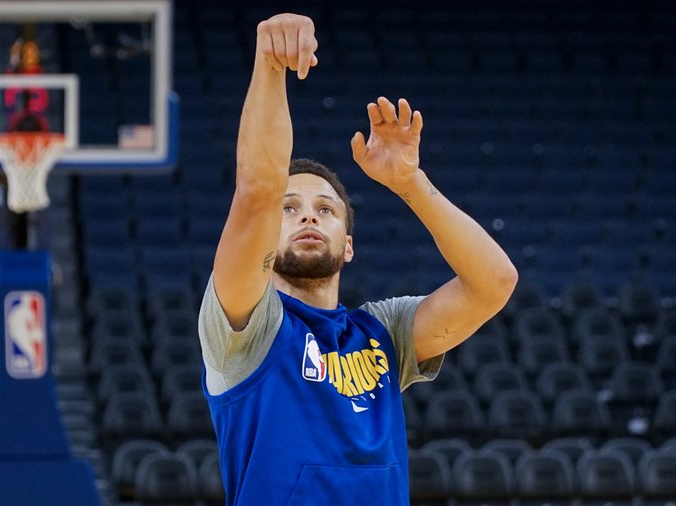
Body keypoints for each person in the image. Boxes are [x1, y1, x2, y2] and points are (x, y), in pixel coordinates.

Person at [198, 13, 518, 505]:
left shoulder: (382, 333)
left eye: (325, 210)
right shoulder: (245, 326)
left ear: (348, 244)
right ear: (266, 233)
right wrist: (268, 64)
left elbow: (494, 283)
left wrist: (411, 183)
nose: (308, 218)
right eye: (291, 209)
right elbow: (257, 191)